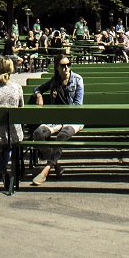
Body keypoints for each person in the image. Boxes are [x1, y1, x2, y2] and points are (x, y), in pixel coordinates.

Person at [30, 54, 84, 186]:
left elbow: (78, 104)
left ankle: (46, 170)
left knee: (62, 135)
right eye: (63, 65)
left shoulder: (77, 80)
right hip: (55, 119)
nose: (66, 68)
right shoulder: (54, 81)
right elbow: (38, 88)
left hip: (74, 118)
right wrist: (39, 96)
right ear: (57, 67)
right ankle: (56, 166)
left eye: (68, 65)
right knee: (38, 134)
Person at [0, 56, 24, 187]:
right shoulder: (17, 88)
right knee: (8, 145)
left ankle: (2, 171)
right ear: (12, 69)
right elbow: (21, 108)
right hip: (14, 132)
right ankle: (3, 172)